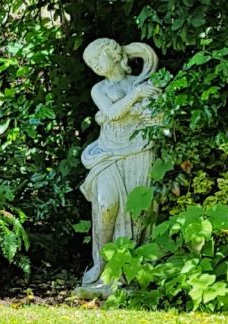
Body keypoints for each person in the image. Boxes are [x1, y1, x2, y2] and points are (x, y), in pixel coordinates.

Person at [77, 38, 161, 297]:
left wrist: (143, 108)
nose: (94, 65)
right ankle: (103, 268)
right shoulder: (99, 89)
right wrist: (134, 99)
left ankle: (131, 270)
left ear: (113, 55)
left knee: (139, 211)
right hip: (108, 153)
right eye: (90, 63)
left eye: (97, 58)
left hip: (138, 152)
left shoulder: (142, 83)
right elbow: (112, 113)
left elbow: (157, 117)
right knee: (106, 203)